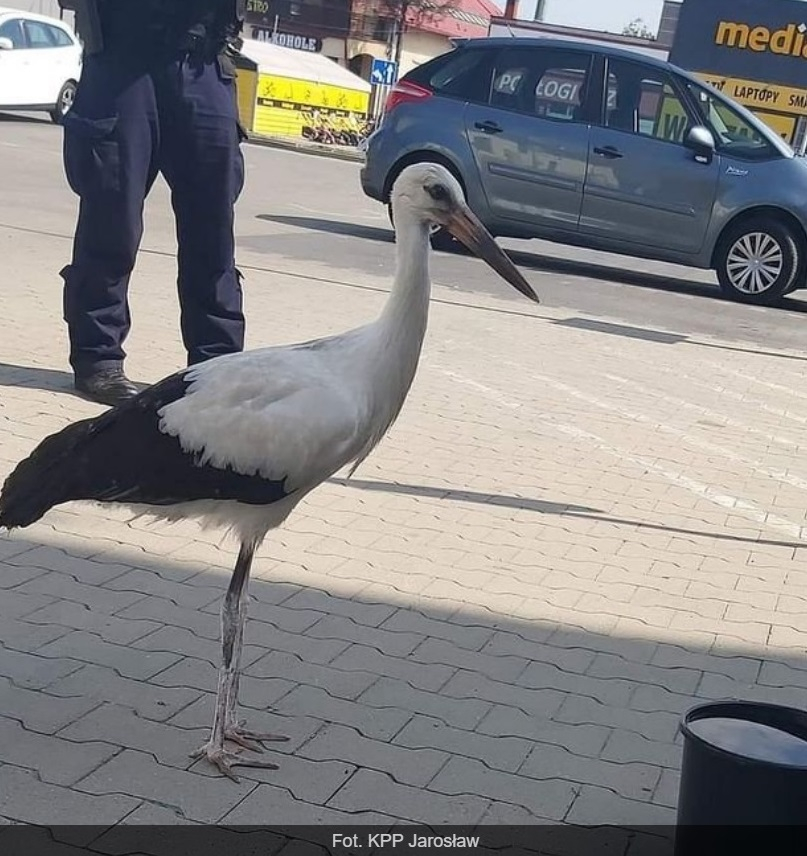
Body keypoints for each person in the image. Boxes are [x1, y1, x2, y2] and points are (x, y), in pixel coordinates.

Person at [58, 0, 248, 406]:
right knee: (112, 222)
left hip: (205, 63)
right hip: (123, 59)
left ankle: (216, 364)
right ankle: (98, 358)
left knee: (213, 230)